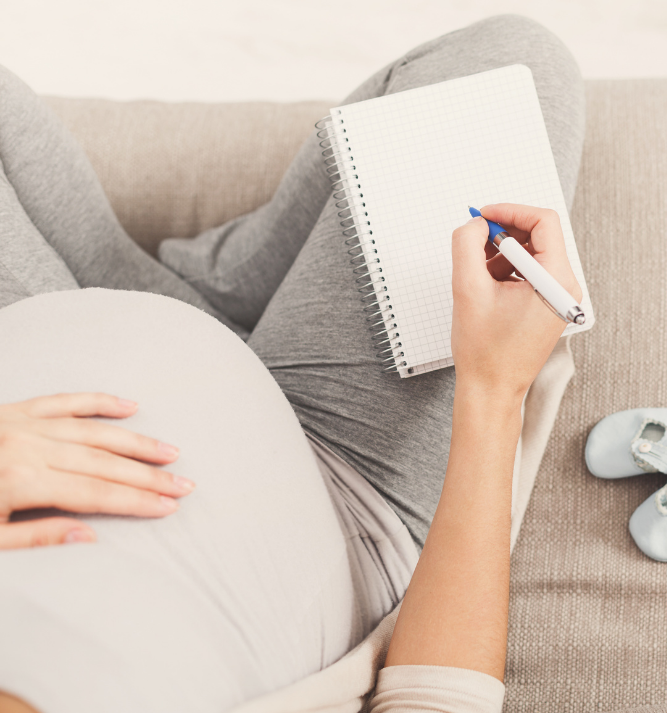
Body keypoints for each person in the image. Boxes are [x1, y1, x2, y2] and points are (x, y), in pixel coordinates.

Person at [0, 14, 584, 713]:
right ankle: (193, 304)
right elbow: (436, 699)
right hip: (341, 488)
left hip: (34, 370)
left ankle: (181, 295)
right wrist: (495, 389)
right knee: (505, 67)